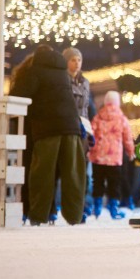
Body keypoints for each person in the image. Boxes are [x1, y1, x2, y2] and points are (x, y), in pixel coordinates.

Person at [10, 45, 87, 226]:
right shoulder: (62, 73)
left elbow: (17, 95)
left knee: (42, 174)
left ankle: (38, 215)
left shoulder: (34, 71)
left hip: (47, 128)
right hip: (71, 127)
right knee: (73, 174)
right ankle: (75, 216)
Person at [88, 91, 135, 219]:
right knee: (114, 184)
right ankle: (113, 209)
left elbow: (91, 134)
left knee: (97, 182)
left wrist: (90, 150)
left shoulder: (97, 117)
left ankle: (97, 208)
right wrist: (131, 151)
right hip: (114, 157)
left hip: (98, 157)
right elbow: (128, 138)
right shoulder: (121, 118)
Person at [64, 47, 96, 217]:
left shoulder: (85, 82)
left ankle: (82, 206)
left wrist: (90, 130)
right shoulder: (62, 80)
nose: (76, 63)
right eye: (73, 60)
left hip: (83, 127)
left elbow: (86, 108)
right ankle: (66, 206)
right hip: (68, 126)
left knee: (83, 169)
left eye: (79, 60)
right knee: (69, 168)